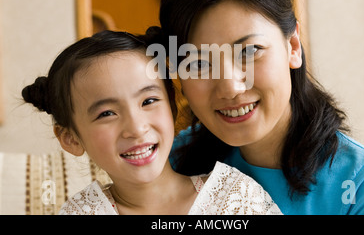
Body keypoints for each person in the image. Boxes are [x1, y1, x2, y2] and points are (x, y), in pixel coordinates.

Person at [159, 0, 364, 214]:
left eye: (250, 51)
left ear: (293, 46)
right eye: (199, 62)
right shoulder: (167, 166)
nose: (231, 87)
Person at [21, 29, 281, 215]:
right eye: (106, 114)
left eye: (148, 102)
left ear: (170, 104)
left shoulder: (235, 198)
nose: (136, 128)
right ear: (71, 138)